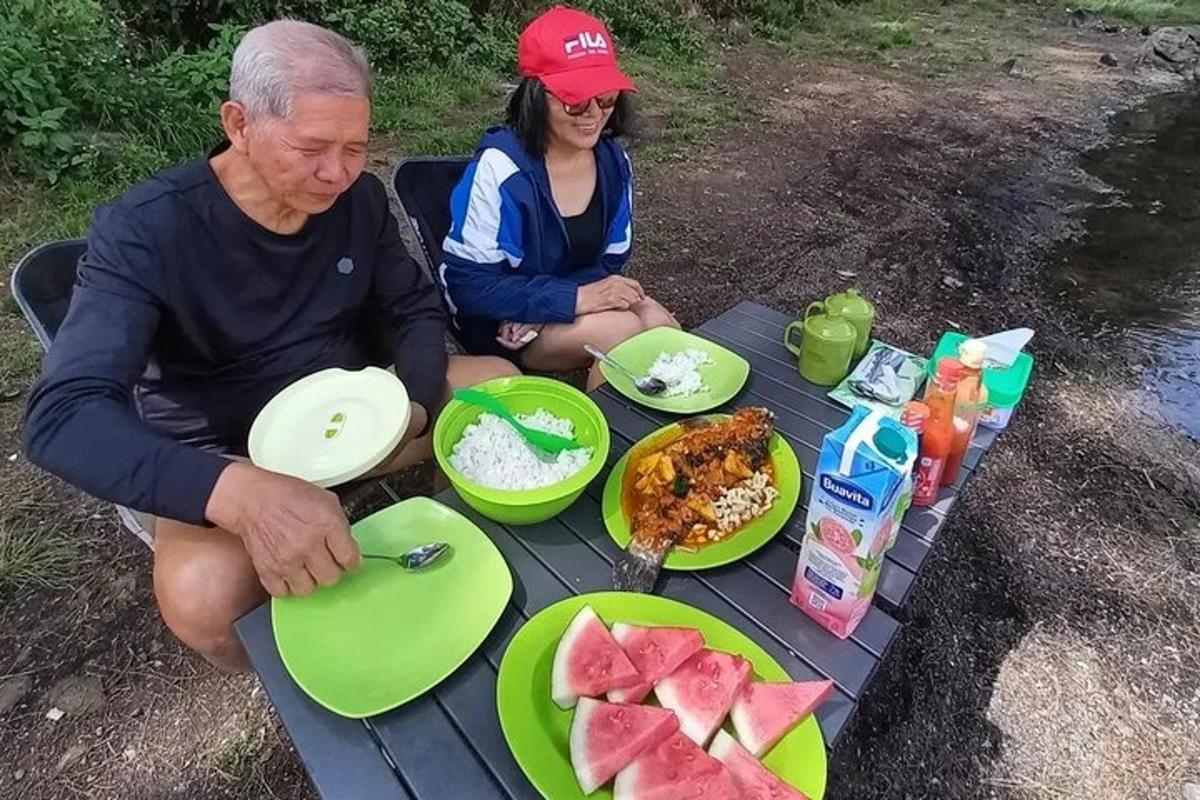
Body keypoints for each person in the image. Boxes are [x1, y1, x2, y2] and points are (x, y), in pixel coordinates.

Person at [21, 20, 517, 672]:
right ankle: (311, 672)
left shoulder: (358, 200)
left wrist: (417, 405)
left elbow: (412, 309)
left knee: (497, 392)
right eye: (311, 147)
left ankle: (463, 581)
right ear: (239, 123)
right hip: (228, 455)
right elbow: (61, 418)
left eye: (355, 147)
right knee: (203, 596)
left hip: (362, 426)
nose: (337, 173)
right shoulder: (145, 230)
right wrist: (241, 494)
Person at [440, 6, 679, 389]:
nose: (593, 116)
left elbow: (611, 261)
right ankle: (602, 435)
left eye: (606, 99)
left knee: (661, 326)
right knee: (623, 328)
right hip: (502, 322)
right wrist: (570, 300)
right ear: (535, 96)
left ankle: (650, 436)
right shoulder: (502, 170)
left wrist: (574, 298)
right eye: (575, 102)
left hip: (557, 302)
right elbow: (468, 286)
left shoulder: (614, 163)